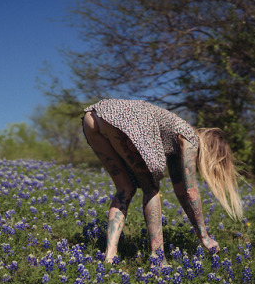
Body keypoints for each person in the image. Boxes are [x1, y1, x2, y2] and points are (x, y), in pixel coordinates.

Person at [82, 99, 243, 264]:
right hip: (125, 117)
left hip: (92, 117)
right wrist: (205, 237)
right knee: (151, 188)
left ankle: (109, 256)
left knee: (125, 188)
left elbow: (181, 191)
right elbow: (191, 191)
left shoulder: (176, 139)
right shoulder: (191, 138)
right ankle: (157, 258)